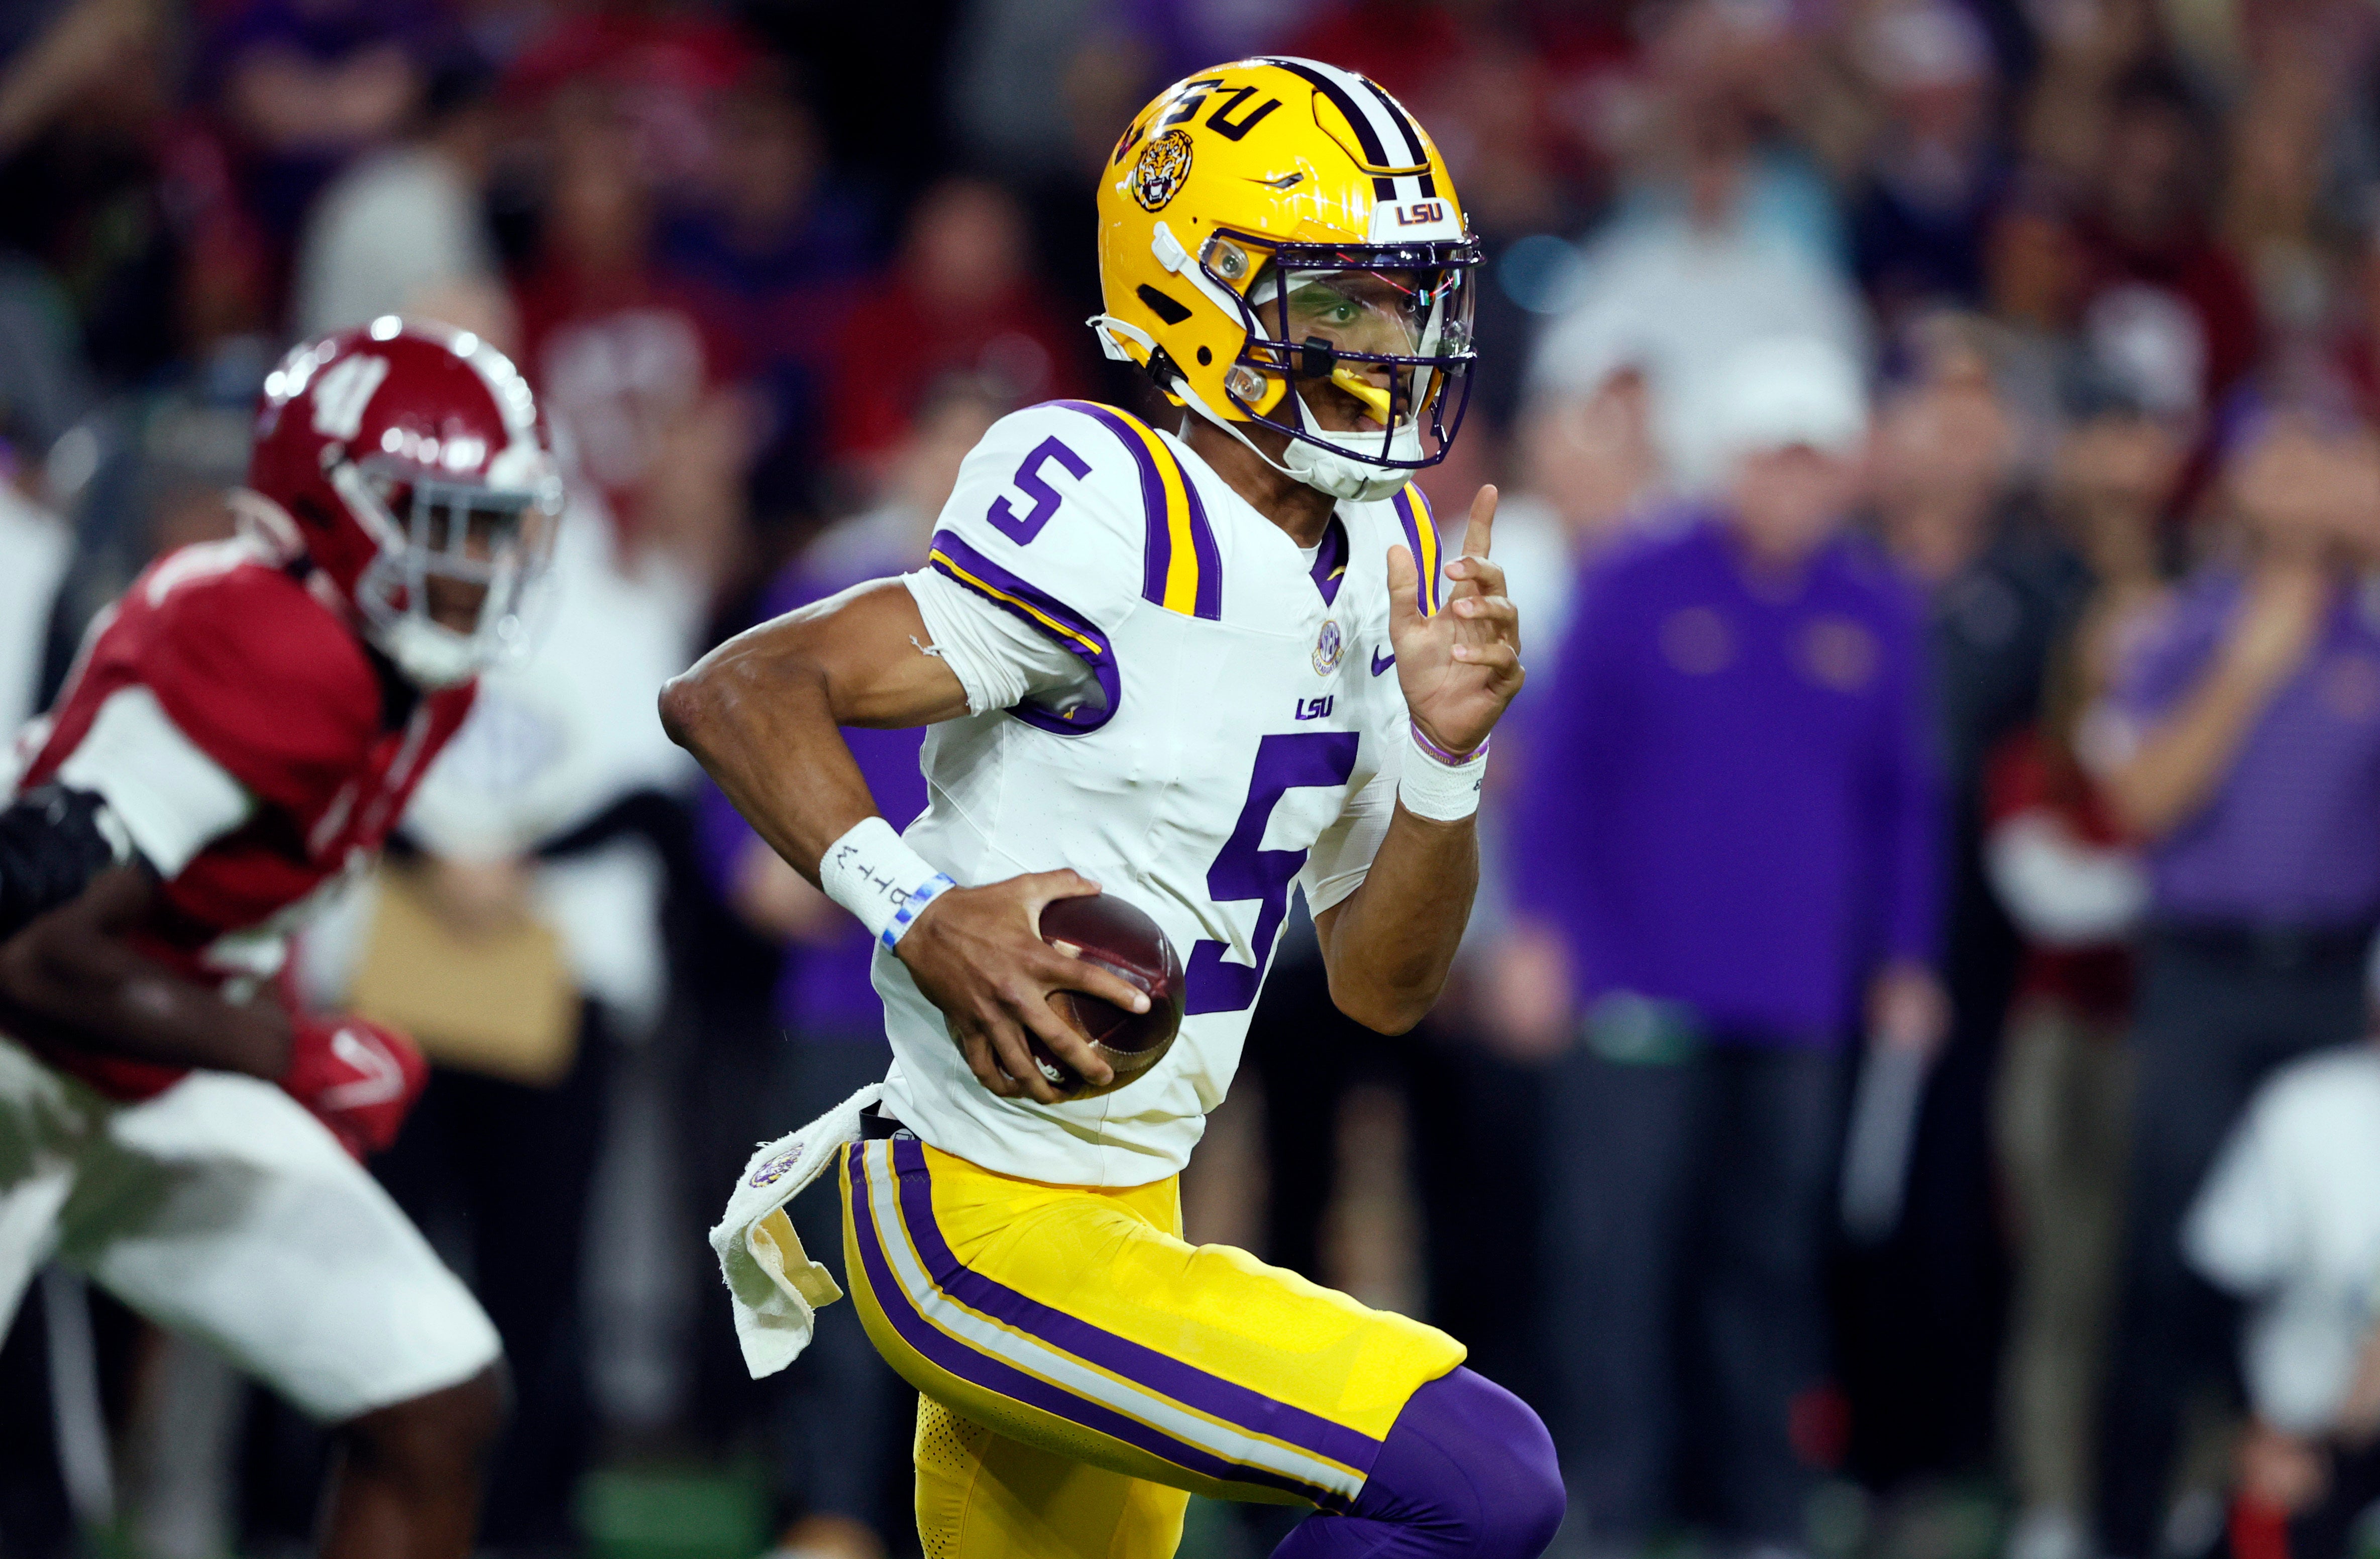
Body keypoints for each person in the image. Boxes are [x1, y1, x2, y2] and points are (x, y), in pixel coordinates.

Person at [663, 56, 1562, 1559]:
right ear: (1199, 295)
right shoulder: (1107, 495)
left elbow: (1383, 987)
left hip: (1134, 1210)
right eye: (1342, 298)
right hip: (978, 1215)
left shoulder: (1385, 548)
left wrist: (1444, 758)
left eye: (1409, 300)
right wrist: (917, 910)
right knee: (1487, 1478)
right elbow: (738, 691)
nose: (1394, 339)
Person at [0, 319, 563, 1559]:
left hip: (138, 1076)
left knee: (433, 1394)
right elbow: (32, 953)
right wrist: (289, 1055)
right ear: (332, 508)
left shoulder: (414, 666)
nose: (481, 563)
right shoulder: (261, 638)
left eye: (496, 524)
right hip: (22, 1070)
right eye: (445, 521)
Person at [1500, 333, 1945, 1553]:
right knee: (1615, 1258)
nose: (1792, 486)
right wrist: (1541, 936)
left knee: (1767, 1261)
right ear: (1729, 461)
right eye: (1772, 459)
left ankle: (1763, 1509)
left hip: (1796, 997)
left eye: (1814, 462)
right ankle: (1602, 1500)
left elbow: (1905, 798)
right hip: (1635, 985)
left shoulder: (1875, 607)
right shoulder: (1639, 582)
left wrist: (1906, 954)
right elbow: (1560, 779)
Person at [2089, 411, 2380, 1559]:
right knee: (2162, 1267)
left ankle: (2284, 1522)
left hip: (2324, 987)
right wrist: (2251, 664)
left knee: (2316, 1272)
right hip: (2198, 979)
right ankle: (2121, 1524)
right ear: (2238, 481)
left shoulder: (2367, 635)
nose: (2301, 482)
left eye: (2326, 456)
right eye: (2279, 456)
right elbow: (2139, 803)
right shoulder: (2179, 628)